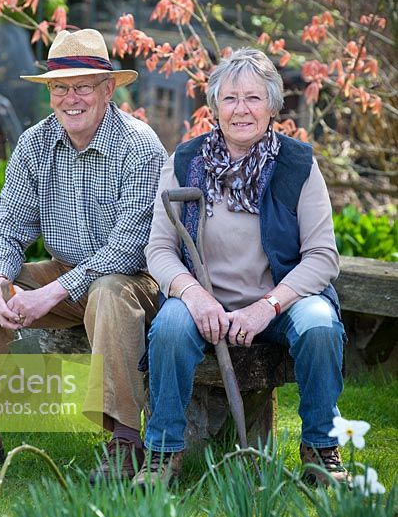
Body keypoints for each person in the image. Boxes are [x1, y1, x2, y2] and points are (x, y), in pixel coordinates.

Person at [0, 28, 167, 482]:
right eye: (60, 87)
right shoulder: (34, 144)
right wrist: (0, 282)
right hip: (67, 275)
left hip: (135, 283)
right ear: (50, 94)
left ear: (108, 89)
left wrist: (48, 295)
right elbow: (6, 226)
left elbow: (128, 247)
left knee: (107, 290)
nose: (71, 99)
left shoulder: (139, 147)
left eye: (83, 86)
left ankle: (126, 442)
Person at [132, 47, 347, 488]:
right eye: (229, 99)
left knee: (321, 326)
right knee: (169, 328)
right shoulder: (186, 163)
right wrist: (193, 295)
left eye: (252, 98)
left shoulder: (298, 166)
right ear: (214, 107)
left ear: (272, 106)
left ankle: (320, 449)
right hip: (202, 303)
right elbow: (159, 249)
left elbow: (323, 257)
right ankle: (162, 455)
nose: (241, 110)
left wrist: (266, 306)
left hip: (280, 303)